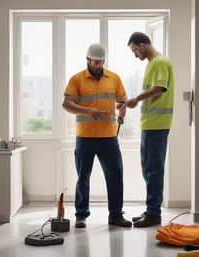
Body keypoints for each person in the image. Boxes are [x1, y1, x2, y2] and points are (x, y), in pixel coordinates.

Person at [62, 43, 132, 228]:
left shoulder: (114, 78)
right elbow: (66, 104)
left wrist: (122, 111)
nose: (99, 65)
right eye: (95, 62)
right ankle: (81, 215)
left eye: (101, 62)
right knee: (83, 177)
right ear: (87, 60)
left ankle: (116, 215)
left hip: (109, 138)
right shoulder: (77, 79)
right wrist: (87, 110)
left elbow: (124, 101)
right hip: (85, 138)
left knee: (116, 176)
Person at [124, 32, 174, 227]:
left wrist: (136, 99)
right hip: (150, 124)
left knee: (154, 170)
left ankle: (154, 214)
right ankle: (151, 209)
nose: (135, 55)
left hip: (157, 125)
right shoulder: (152, 64)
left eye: (135, 50)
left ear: (142, 45)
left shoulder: (160, 62)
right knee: (148, 169)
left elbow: (159, 88)